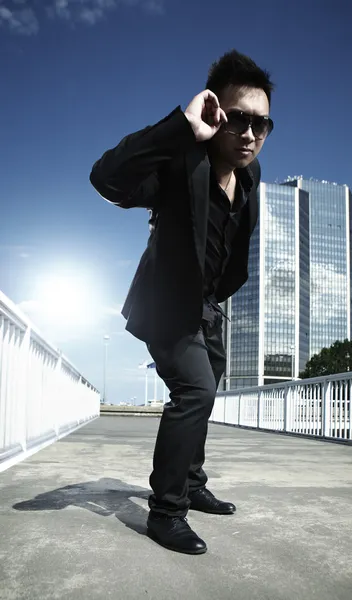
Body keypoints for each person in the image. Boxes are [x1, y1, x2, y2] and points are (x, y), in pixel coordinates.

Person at [90, 50, 274, 555]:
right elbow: (107, 178)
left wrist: (215, 300)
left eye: (262, 123)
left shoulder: (251, 182)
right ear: (216, 115)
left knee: (208, 382)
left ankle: (191, 484)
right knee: (193, 389)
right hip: (165, 304)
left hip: (207, 306)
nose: (250, 133)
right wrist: (180, 127)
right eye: (238, 119)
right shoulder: (180, 164)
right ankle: (166, 511)